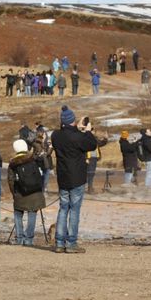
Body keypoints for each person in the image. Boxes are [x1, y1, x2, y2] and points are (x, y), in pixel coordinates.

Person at [51, 105, 97, 253]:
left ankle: (59, 242)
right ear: (73, 121)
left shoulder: (55, 136)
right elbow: (91, 145)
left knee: (63, 208)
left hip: (63, 177)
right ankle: (71, 243)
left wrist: (77, 128)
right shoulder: (78, 137)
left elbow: (68, 135)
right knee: (74, 210)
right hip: (77, 177)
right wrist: (87, 131)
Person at [8, 139, 46, 246]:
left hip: (20, 192)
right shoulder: (33, 159)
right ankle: (29, 239)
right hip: (35, 192)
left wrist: (14, 193)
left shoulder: (13, 163)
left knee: (18, 214)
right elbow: (41, 174)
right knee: (32, 214)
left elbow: (10, 180)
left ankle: (19, 238)